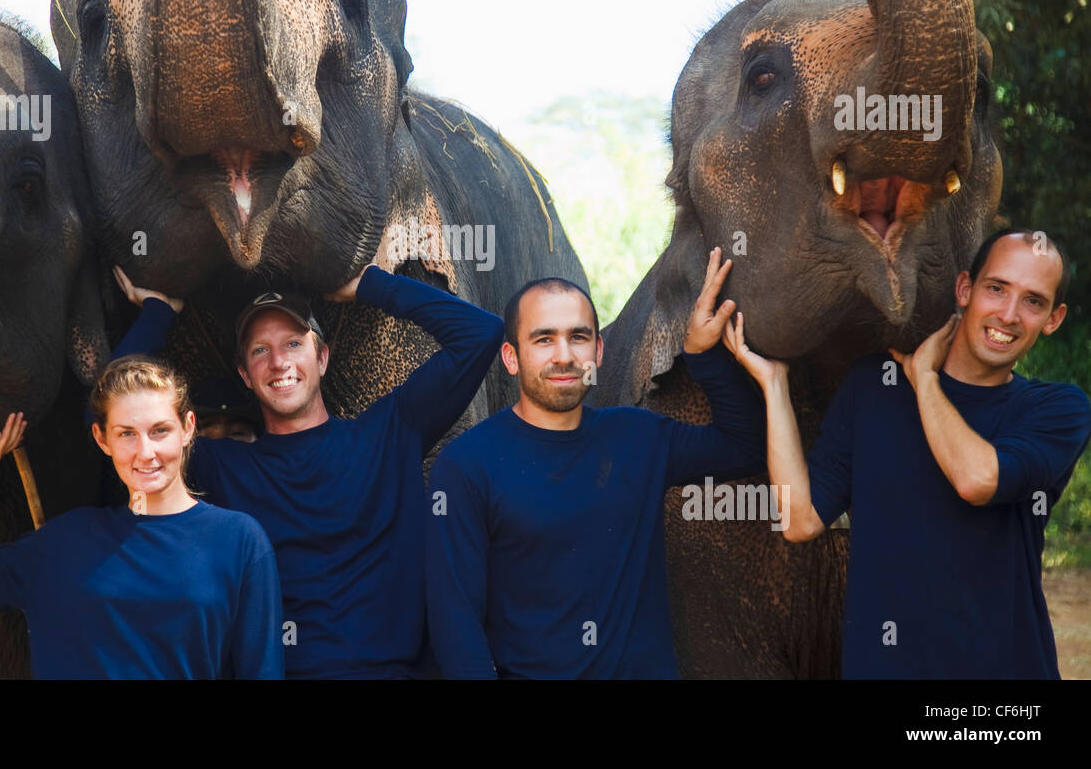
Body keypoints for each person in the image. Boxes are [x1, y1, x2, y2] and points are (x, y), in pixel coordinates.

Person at [724, 228, 1091, 678]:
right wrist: (774, 384)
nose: (1009, 314)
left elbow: (976, 479)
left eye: (1034, 301)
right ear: (964, 289)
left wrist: (925, 377)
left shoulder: (1057, 409)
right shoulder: (873, 388)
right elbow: (801, 519)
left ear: (1053, 319)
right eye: (996, 288)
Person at [107, 262, 504, 678]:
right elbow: (110, 419)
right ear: (245, 375)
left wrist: (371, 283)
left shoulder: (391, 432)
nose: (279, 362)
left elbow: (481, 334)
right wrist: (159, 313)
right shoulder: (223, 466)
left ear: (323, 357)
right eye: (260, 350)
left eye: (294, 344)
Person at [425, 248, 767, 678]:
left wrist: (703, 354)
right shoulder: (466, 467)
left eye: (579, 336)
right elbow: (456, 625)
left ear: (599, 351)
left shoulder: (638, 437)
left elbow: (746, 447)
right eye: (544, 338)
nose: (565, 355)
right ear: (511, 357)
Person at [0, 357, 284, 679]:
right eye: (126, 433)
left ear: (188, 427)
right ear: (101, 439)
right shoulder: (63, 542)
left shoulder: (239, 541)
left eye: (160, 430)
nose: (146, 452)